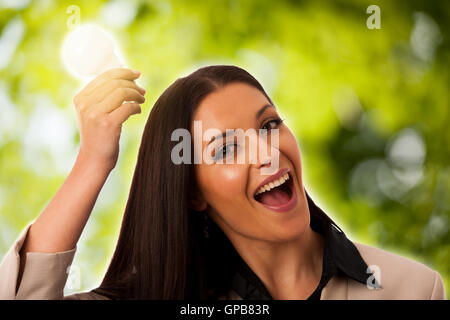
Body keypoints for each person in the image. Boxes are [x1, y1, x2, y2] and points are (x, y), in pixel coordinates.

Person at [0, 65, 445, 300]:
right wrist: (92, 161)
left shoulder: (410, 289)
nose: (267, 153)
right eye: (226, 149)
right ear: (193, 194)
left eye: (269, 125)